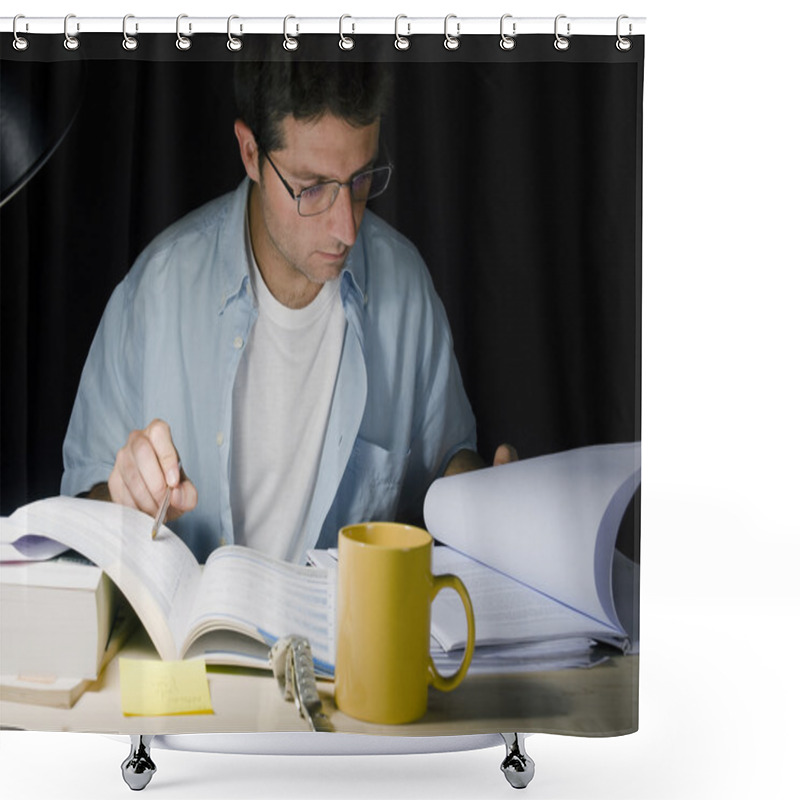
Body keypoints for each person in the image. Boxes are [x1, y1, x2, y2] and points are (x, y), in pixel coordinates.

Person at [61, 58, 515, 564]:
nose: (346, 227)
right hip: (188, 644)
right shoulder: (154, 292)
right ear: (251, 152)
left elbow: (450, 460)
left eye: (361, 179)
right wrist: (121, 502)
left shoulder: (406, 286)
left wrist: (488, 497)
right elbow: (77, 516)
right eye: (313, 187)